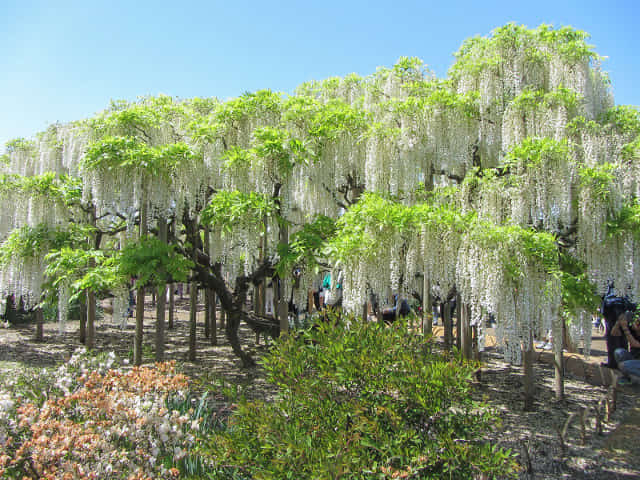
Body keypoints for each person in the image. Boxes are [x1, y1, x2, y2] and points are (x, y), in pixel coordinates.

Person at [611, 311, 640, 384]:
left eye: (638, 323)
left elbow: (634, 344)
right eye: (636, 321)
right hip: (634, 360)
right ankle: (629, 377)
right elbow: (614, 333)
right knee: (619, 352)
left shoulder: (629, 330)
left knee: (624, 365)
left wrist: (625, 328)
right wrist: (618, 322)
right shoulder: (633, 330)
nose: (636, 323)